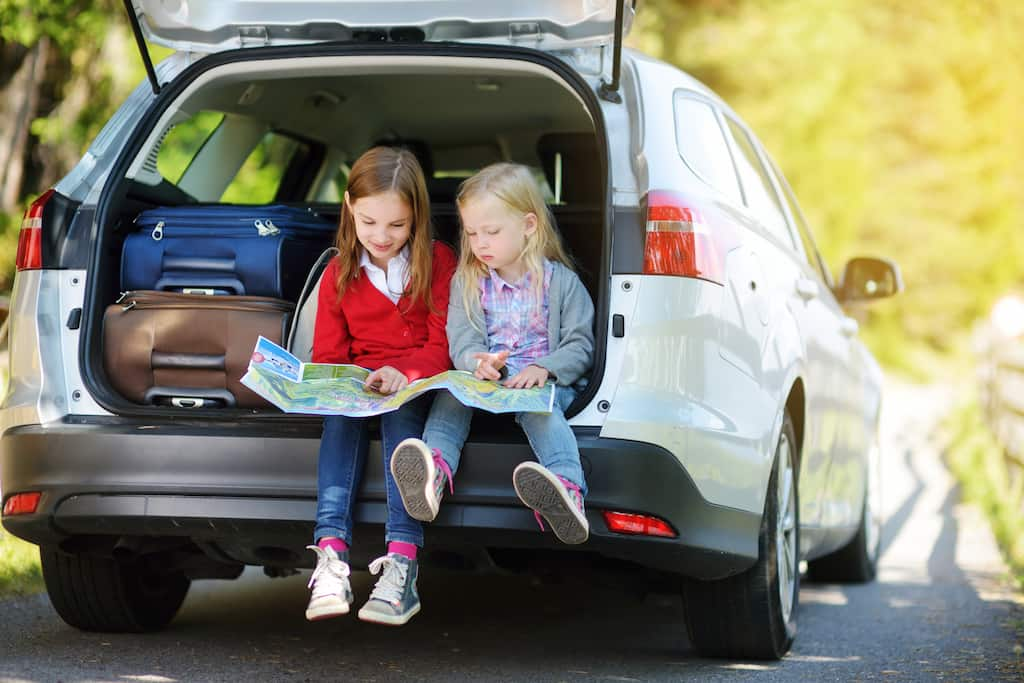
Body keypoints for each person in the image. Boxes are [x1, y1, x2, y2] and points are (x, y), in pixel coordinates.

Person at [389, 162, 595, 545]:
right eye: (471, 233)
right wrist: (475, 360)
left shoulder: (562, 283)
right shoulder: (469, 282)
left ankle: (567, 489)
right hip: (490, 379)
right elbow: (462, 339)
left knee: (541, 411)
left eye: (492, 232)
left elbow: (581, 345)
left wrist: (544, 368)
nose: (480, 243)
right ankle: (432, 474)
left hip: (541, 381)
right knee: (451, 397)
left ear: (529, 226)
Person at [306, 146, 456, 626]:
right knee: (340, 420)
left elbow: (444, 345)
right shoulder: (339, 273)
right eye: (369, 222)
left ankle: (402, 562)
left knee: (400, 418)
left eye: (397, 225)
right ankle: (330, 556)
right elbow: (329, 355)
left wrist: (404, 375)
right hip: (360, 386)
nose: (381, 236)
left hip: (416, 382)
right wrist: (345, 385)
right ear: (349, 206)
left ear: (416, 218)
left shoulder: (438, 262)